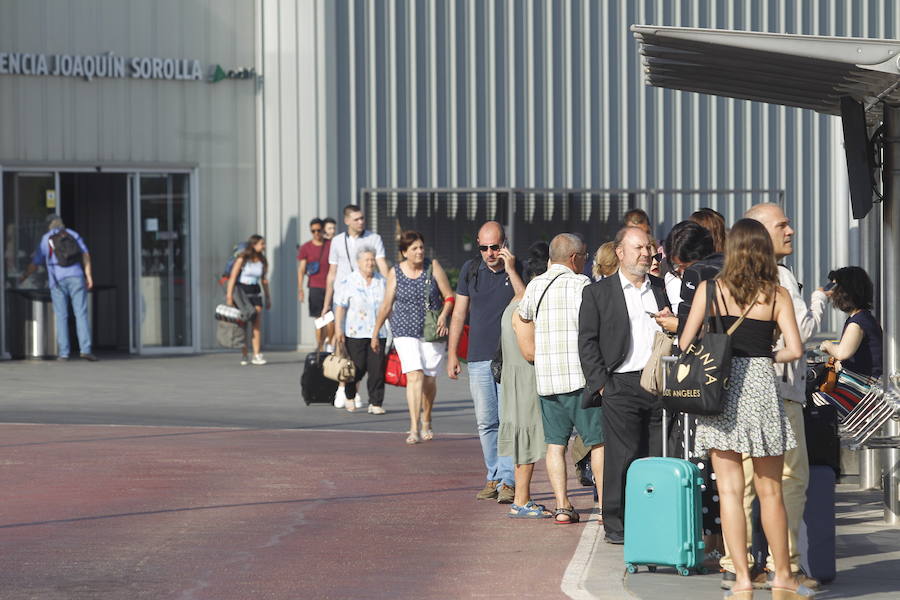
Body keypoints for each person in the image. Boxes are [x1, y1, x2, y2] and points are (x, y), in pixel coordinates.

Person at [680, 218, 810, 600]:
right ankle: (783, 574)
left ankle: (740, 579)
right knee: (771, 491)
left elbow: (686, 343)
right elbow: (796, 350)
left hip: (720, 390)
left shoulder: (710, 289)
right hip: (761, 387)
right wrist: (767, 355)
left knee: (732, 492)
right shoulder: (777, 294)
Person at [718, 203, 826, 591]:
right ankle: (788, 565)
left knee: (741, 484)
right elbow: (802, 334)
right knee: (787, 480)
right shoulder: (778, 282)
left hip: (736, 394)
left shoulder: (723, 285)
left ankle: (738, 564)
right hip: (777, 390)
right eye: (782, 224)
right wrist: (818, 301)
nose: (791, 230)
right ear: (760, 235)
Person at [578, 226, 670, 544]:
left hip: (658, 382)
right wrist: (602, 386)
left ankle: (656, 519)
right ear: (620, 252)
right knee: (623, 456)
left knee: (659, 454)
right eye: (638, 248)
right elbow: (586, 342)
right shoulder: (597, 293)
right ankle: (616, 524)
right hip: (620, 383)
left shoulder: (660, 288)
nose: (646, 253)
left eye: (649, 247)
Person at [518, 234, 598, 525]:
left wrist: (532, 351)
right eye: (585, 257)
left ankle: (563, 506)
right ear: (574, 258)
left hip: (547, 377)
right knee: (597, 442)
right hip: (579, 376)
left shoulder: (535, 285)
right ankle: (602, 505)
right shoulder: (581, 285)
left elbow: (522, 316)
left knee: (555, 444)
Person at [446, 221, 525, 504]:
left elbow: (524, 301)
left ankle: (508, 480)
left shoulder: (517, 268)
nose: (490, 253)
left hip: (509, 357)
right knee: (486, 421)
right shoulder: (470, 270)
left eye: (495, 247)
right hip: (478, 357)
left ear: (504, 244)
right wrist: (452, 353)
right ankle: (493, 475)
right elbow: (458, 314)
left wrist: (512, 269)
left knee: (508, 420)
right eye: (484, 248)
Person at [372, 231, 454, 443]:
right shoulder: (395, 272)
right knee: (414, 375)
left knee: (429, 378)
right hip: (404, 330)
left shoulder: (432, 266)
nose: (419, 252)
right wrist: (375, 333)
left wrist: (444, 316)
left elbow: (449, 296)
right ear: (404, 252)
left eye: (421, 247)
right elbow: (386, 304)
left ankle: (427, 418)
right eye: (414, 248)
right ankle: (414, 427)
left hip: (432, 329)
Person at [500, 241, 552, 518]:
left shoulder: (515, 301)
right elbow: (530, 351)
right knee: (527, 438)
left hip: (514, 375)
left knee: (523, 438)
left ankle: (522, 497)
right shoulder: (525, 306)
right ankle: (521, 499)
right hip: (525, 376)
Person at [323, 205, 389, 408]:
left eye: (363, 218)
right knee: (345, 350)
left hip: (372, 294)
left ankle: (359, 395)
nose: (361, 222)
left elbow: (383, 265)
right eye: (357, 219)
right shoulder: (337, 241)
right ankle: (344, 388)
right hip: (345, 297)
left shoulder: (373, 238)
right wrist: (327, 304)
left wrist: (390, 287)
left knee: (372, 361)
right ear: (347, 220)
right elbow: (332, 273)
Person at [21, 214, 96, 361]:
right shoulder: (72, 234)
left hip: (57, 280)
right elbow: (85, 254)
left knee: (62, 316)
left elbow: (35, 263)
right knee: (81, 314)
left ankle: (64, 353)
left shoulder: (46, 238)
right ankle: (85, 349)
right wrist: (89, 276)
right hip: (76, 277)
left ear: (48, 225)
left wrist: (23, 277)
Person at [333, 248, 389, 414]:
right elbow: (341, 307)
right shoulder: (349, 281)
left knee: (377, 369)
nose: (370, 263)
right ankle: (350, 396)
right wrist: (338, 329)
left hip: (378, 333)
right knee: (356, 368)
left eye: (372, 259)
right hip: (355, 332)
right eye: (367, 260)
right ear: (358, 263)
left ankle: (376, 402)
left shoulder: (382, 281)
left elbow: (388, 307)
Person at [818, 266, 883, 380]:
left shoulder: (858, 323)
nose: (831, 293)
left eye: (834, 287)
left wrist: (827, 345)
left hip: (865, 385)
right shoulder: (863, 317)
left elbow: (842, 353)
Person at [656, 221, 717, 334]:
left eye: (686, 267)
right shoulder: (671, 279)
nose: (680, 271)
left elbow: (721, 329)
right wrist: (672, 318)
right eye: (676, 265)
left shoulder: (723, 283)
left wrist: (680, 326)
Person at [226, 234, 271, 366]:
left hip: (255, 292)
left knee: (256, 322)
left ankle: (256, 354)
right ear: (254, 245)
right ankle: (245, 353)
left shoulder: (263, 261)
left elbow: (264, 280)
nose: (264, 246)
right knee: (244, 323)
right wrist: (229, 296)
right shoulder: (243, 259)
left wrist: (268, 297)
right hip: (242, 293)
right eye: (261, 244)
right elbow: (233, 277)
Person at [298, 218, 333, 348]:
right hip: (315, 287)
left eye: (319, 230)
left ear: (323, 230)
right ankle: (320, 346)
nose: (316, 233)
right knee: (319, 320)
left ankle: (331, 344)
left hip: (331, 287)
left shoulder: (331, 244)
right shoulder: (306, 247)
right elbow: (301, 269)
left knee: (331, 319)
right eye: (313, 231)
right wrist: (300, 289)